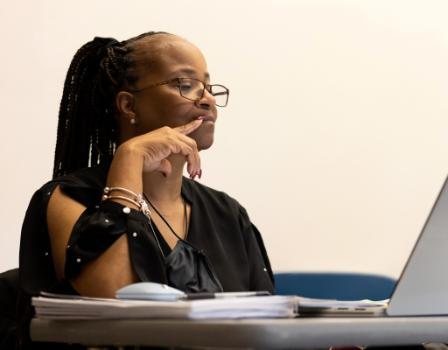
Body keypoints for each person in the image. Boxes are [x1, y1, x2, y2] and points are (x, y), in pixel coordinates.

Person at [16, 31, 274, 349]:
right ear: (128, 104)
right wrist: (129, 159)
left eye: (208, 86)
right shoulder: (69, 198)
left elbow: (267, 329)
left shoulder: (227, 213)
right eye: (186, 84)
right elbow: (113, 304)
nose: (206, 99)